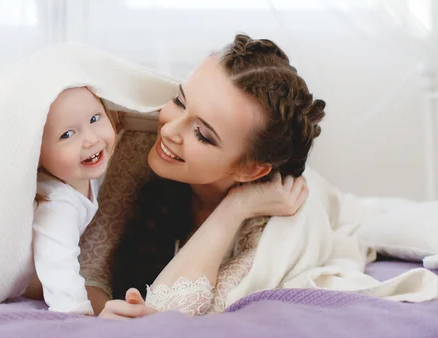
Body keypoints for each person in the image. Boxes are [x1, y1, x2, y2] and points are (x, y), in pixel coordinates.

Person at [78, 34, 326, 317]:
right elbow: (90, 274)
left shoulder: (270, 228)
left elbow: (172, 311)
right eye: (180, 102)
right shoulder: (141, 143)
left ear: (251, 170)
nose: (169, 131)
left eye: (202, 134)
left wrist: (236, 208)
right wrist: (107, 315)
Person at [30, 86, 117, 315]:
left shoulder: (80, 173)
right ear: (36, 153)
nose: (91, 139)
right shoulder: (57, 203)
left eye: (95, 118)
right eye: (67, 135)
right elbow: (57, 263)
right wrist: (76, 313)